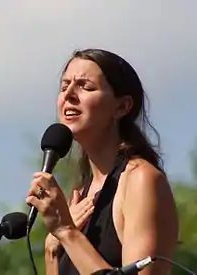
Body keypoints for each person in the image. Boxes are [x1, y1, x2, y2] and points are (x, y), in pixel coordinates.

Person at [26, 49, 178, 275]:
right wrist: (52, 249)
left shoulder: (140, 180)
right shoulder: (80, 196)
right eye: (64, 85)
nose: (69, 94)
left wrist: (67, 232)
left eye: (84, 86)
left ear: (122, 107)